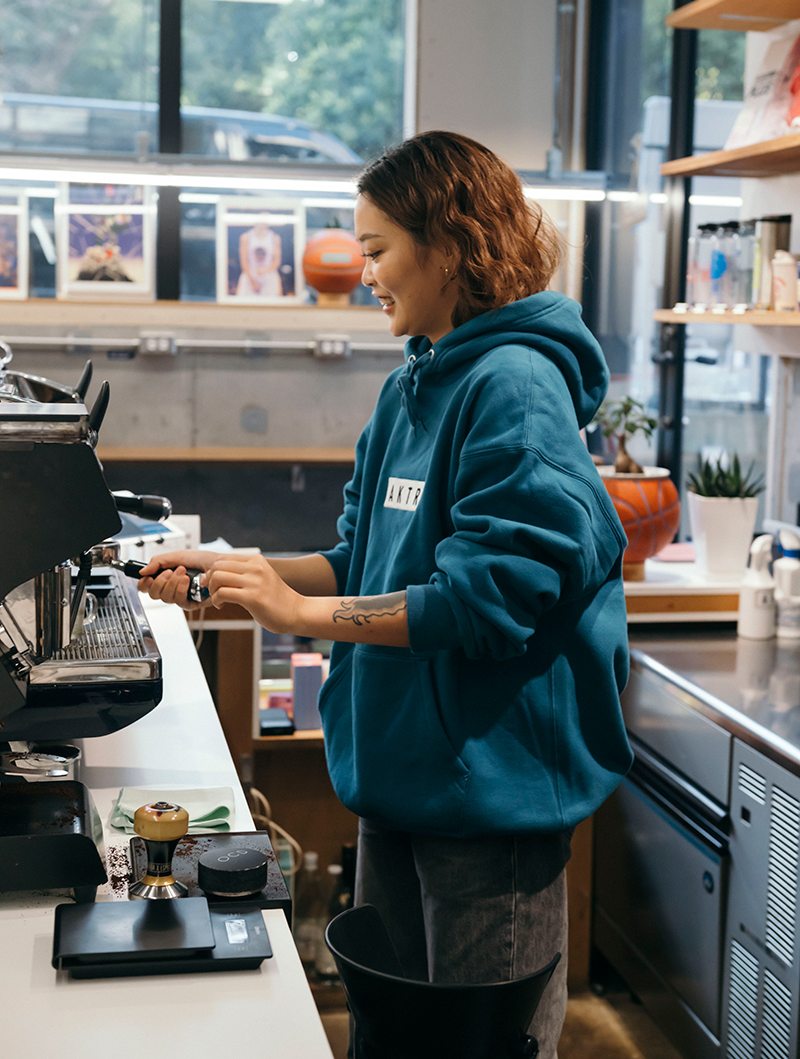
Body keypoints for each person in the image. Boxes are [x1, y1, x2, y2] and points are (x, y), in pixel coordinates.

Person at [139, 131, 633, 1058]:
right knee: (401, 1036)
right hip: (399, 780)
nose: (364, 272)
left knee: (481, 1045)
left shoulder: (516, 390)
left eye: (376, 251)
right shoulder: (412, 387)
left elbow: (480, 603)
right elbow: (359, 559)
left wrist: (297, 615)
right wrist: (237, 574)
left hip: (490, 800)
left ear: (449, 246)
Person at [236, 219, 282, 297]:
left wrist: (264, 271)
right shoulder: (246, 237)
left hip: (269, 277)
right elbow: (244, 262)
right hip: (249, 276)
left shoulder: (275, 237)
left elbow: (277, 261)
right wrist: (252, 281)